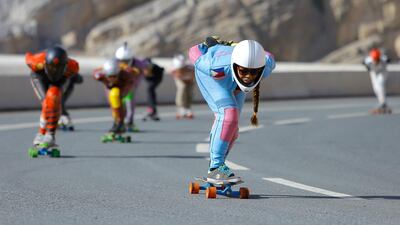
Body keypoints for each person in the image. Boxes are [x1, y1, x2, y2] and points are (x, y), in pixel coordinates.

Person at [188, 37, 275, 183]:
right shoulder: (213, 66)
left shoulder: (266, 66)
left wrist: (238, 45)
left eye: (254, 73)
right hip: (214, 79)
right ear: (235, 66)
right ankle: (216, 167)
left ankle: (219, 167)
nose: (248, 77)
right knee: (229, 115)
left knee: (232, 130)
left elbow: (268, 55)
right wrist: (204, 46)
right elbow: (193, 52)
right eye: (244, 71)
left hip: (234, 82)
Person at [26, 46, 80, 146]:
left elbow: (76, 77)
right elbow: (28, 56)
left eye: (58, 68)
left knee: (54, 98)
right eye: (51, 67)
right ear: (45, 63)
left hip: (60, 79)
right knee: (46, 103)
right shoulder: (35, 62)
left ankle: (50, 135)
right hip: (40, 77)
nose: (54, 71)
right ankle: (41, 133)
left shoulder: (72, 67)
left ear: (65, 66)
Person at [93, 58, 140, 134]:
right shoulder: (100, 75)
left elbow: (135, 73)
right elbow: (95, 72)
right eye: (110, 77)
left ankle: (121, 122)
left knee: (116, 97)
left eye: (115, 76)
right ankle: (116, 122)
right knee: (113, 104)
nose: (112, 79)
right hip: (110, 88)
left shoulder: (126, 75)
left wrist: (129, 69)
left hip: (123, 87)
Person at [114, 42, 148, 131]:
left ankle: (129, 121)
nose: (124, 63)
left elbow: (143, 72)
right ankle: (119, 121)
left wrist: (134, 83)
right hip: (120, 84)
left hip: (131, 84)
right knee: (119, 101)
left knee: (129, 101)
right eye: (121, 61)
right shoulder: (115, 62)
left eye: (126, 61)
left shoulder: (138, 64)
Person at [363, 48, 392, 114]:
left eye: (377, 59)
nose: (376, 61)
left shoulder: (383, 58)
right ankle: (381, 101)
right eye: (374, 59)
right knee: (375, 87)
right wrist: (368, 67)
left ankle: (383, 102)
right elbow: (363, 62)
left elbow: (389, 60)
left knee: (380, 84)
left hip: (382, 72)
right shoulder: (369, 60)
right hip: (374, 72)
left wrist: (386, 61)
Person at [170, 54, 195, 119]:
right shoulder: (174, 69)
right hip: (180, 79)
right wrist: (182, 78)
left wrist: (189, 80)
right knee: (182, 88)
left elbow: (192, 77)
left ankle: (187, 108)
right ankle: (181, 107)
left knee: (189, 92)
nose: (180, 70)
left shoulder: (191, 67)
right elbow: (176, 75)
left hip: (189, 79)